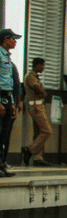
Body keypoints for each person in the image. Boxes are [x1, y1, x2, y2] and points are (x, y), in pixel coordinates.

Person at [0, 29, 24, 176]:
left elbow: (12, 83)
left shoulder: (8, 58)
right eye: (13, 39)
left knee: (5, 133)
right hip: (0, 96)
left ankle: (2, 163)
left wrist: (13, 103)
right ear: (5, 39)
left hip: (8, 96)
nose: (15, 42)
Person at [22, 58, 53, 167]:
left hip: (38, 105)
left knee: (39, 132)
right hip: (36, 106)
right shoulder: (30, 76)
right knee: (47, 131)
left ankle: (38, 158)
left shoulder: (35, 76)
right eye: (42, 66)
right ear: (37, 65)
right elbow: (38, 90)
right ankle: (29, 150)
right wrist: (43, 93)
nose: (43, 68)